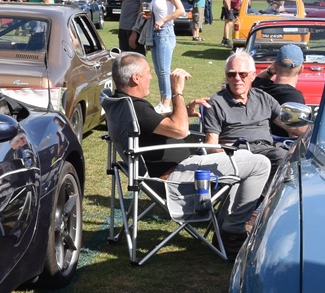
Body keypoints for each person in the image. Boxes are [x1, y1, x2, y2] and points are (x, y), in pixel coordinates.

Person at [110, 53, 270, 239]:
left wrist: (183, 111)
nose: (151, 77)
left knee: (246, 160)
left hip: (177, 171)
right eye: (148, 73)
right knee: (260, 164)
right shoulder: (136, 107)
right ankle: (233, 229)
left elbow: (152, 121)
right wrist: (177, 92)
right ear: (136, 78)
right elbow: (180, 130)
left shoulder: (122, 103)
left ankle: (225, 224)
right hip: (177, 178)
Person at [199, 50, 310, 177]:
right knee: (280, 157)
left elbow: (292, 127)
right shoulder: (216, 103)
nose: (237, 79)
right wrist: (225, 149)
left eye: (243, 74)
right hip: (237, 155)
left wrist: (313, 131)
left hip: (267, 151)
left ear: (252, 76)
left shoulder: (263, 98)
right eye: (231, 74)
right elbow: (211, 146)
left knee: (293, 160)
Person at [147, 0, 186, 102]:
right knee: (159, 71)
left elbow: (181, 10)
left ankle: (166, 102)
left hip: (165, 33)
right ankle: (163, 99)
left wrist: (163, 20)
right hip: (155, 33)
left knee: (164, 70)